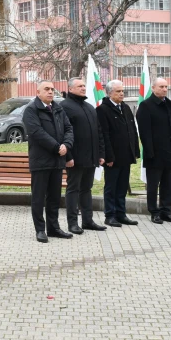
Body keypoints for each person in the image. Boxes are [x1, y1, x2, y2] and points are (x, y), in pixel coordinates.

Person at [22, 80, 74, 242]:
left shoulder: (58, 108)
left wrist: (66, 145)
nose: (51, 92)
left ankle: (54, 228)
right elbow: (36, 132)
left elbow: (68, 128)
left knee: (54, 197)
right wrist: (56, 147)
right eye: (47, 89)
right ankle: (40, 229)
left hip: (57, 162)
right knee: (39, 198)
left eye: (52, 89)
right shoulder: (31, 110)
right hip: (41, 162)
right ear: (38, 92)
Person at [60, 77, 107, 234]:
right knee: (73, 189)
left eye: (84, 86)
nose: (83, 88)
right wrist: (68, 157)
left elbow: (98, 131)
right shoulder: (65, 106)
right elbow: (63, 134)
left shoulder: (89, 107)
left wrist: (100, 153)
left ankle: (88, 221)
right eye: (79, 86)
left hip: (91, 157)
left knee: (87, 189)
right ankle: (72, 223)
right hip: (75, 158)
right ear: (71, 89)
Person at [136, 77, 171, 224]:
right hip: (154, 154)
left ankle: (166, 211)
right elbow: (144, 133)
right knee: (153, 185)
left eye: (166, 87)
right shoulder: (146, 106)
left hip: (169, 153)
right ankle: (154, 212)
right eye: (161, 86)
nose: (164, 89)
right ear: (153, 88)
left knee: (168, 184)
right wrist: (149, 153)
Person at [96, 80, 140, 228]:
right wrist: (108, 156)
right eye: (118, 91)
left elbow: (132, 130)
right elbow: (104, 134)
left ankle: (121, 214)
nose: (122, 94)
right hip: (112, 158)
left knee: (122, 186)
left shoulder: (126, 108)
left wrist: (135, 151)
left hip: (126, 155)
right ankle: (110, 215)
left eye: (123, 91)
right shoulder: (103, 109)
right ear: (109, 93)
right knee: (111, 187)